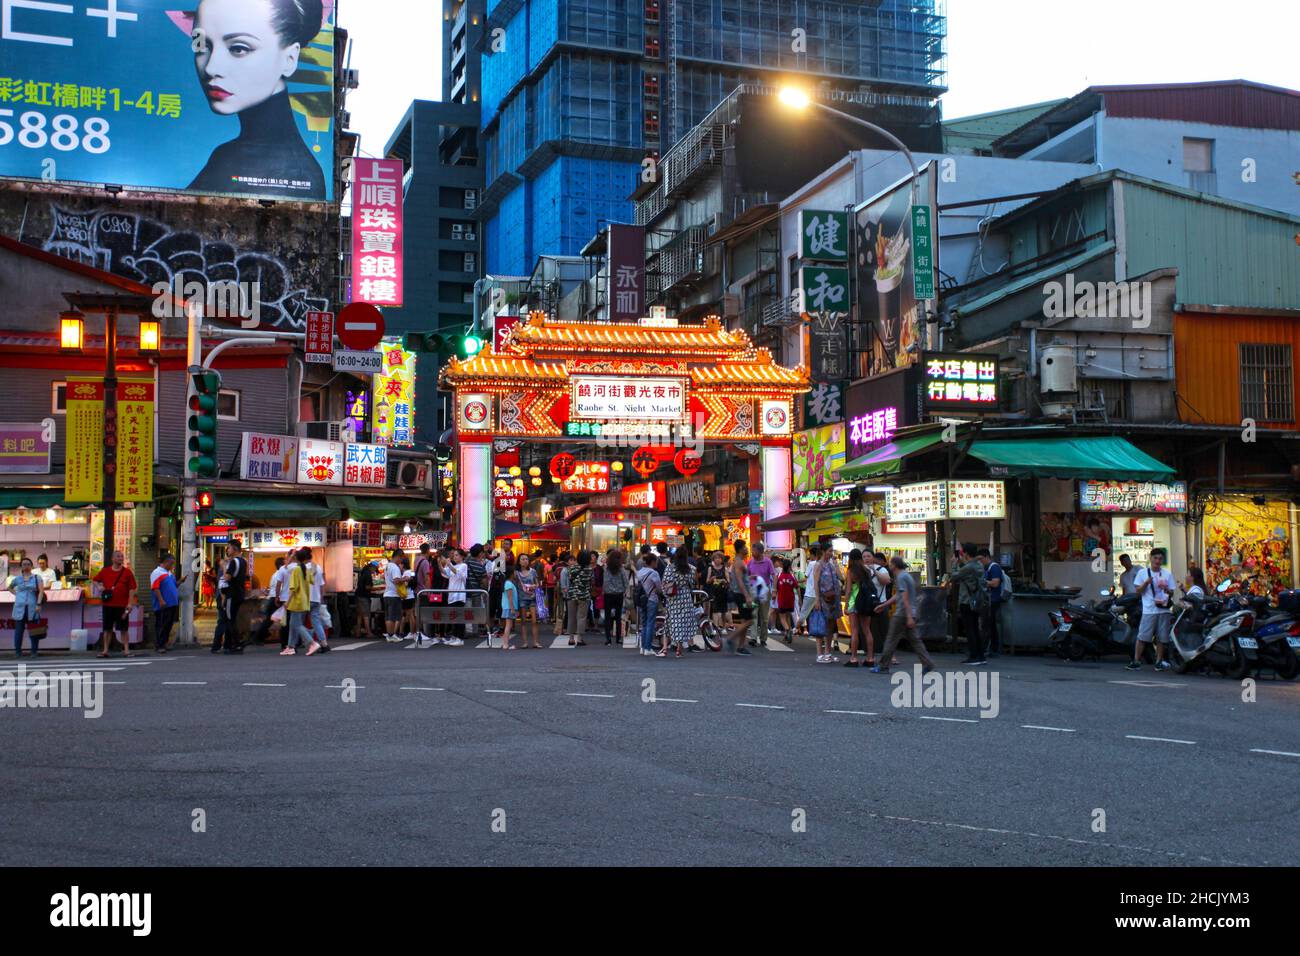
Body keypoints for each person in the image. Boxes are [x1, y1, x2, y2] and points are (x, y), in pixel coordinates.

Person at [188, 0, 328, 200]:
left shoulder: (295, 174)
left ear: (289, 59)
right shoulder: (229, 156)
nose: (211, 67)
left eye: (238, 48)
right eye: (201, 45)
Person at [871, 557, 935, 674]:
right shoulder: (906, 576)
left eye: (890, 563)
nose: (889, 565)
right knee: (915, 640)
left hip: (902, 613)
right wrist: (884, 605)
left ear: (894, 565)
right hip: (910, 612)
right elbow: (899, 595)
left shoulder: (901, 577)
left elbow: (904, 597)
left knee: (891, 640)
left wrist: (908, 616)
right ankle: (927, 663)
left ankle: (883, 666)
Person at [1128, 547, 1176, 671]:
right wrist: (1146, 583)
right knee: (1143, 636)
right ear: (1150, 558)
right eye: (1155, 558)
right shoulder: (1142, 573)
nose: (1158, 561)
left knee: (1162, 637)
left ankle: (1159, 661)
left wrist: (1167, 590)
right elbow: (1138, 591)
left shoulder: (1167, 573)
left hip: (1163, 609)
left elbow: (1172, 592)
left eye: (1160, 558)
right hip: (1149, 610)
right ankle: (1136, 661)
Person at [93, 550, 137, 658]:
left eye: (122, 556)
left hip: (122, 605)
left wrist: (130, 603)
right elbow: (95, 580)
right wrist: (99, 587)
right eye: (118, 556)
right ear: (112, 559)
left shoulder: (127, 572)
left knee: (124, 629)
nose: (121, 558)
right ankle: (105, 650)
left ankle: (126, 650)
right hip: (108, 605)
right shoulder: (105, 571)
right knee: (107, 628)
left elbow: (132, 589)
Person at [951, 543, 987, 665]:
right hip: (977, 600)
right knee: (976, 628)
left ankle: (973, 656)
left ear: (966, 553)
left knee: (970, 629)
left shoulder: (969, 567)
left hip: (967, 601)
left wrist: (954, 564)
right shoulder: (978, 565)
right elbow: (967, 571)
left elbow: (954, 576)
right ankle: (981, 655)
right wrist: (961, 563)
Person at [280, 549, 318, 656]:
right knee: (293, 624)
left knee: (296, 625)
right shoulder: (306, 569)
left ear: (296, 558)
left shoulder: (296, 570)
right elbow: (312, 580)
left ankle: (312, 643)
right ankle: (290, 647)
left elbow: (293, 588)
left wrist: (287, 601)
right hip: (304, 600)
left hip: (296, 601)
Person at [212, 540, 248, 654]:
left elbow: (227, 578)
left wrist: (223, 567)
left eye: (228, 548)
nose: (227, 550)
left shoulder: (234, 562)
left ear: (234, 549)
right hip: (239, 594)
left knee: (230, 620)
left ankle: (236, 644)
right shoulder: (243, 561)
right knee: (231, 619)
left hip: (231, 594)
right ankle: (233, 644)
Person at [660, 550, 696, 659]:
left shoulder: (670, 567)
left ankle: (665, 648)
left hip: (673, 597)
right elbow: (692, 583)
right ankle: (679, 650)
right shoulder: (690, 568)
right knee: (682, 623)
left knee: (670, 621)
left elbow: (665, 582)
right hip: (685, 597)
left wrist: (665, 595)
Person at [843, 549, 877, 667]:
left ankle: (853, 658)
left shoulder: (851, 571)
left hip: (854, 602)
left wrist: (846, 605)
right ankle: (870, 658)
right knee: (867, 630)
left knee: (855, 631)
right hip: (866, 602)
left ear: (851, 559)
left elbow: (848, 590)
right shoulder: (867, 570)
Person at [7, 557, 44, 657]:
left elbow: (41, 591)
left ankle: (34, 651)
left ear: (31, 566)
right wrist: (17, 594)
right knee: (19, 631)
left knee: (34, 631)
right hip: (19, 607)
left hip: (32, 607)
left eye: (28, 564)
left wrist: (39, 604)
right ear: (21, 567)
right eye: (24, 564)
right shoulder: (17, 579)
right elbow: (9, 587)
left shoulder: (37, 578)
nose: (26, 566)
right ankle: (18, 651)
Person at [725, 540, 755, 656]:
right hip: (741, 595)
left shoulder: (740, 561)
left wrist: (751, 577)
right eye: (745, 547)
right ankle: (731, 638)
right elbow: (739, 580)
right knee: (749, 620)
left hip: (742, 593)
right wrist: (747, 596)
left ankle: (741, 647)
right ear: (741, 549)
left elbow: (742, 578)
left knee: (744, 620)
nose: (747, 549)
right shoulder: (738, 562)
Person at [814, 547, 843, 663]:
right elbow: (815, 583)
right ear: (823, 551)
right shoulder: (818, 565)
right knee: (821, 624)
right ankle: (820, 654)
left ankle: (828, 652)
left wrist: (836, 566)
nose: (831, 553)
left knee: (831, 625)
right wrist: (817, 600)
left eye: (832, 551)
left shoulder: (831, 565)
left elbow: (841, 578)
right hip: (823, 598)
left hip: (833, 599)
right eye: (829, 551)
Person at [976, 548, 1006, 657]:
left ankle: (992, 648)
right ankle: (991, 648)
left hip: (993, 600)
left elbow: (995, 583)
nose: (980, 561)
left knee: (989, 625)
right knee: (989, 624)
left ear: (987, 557)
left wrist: (982, 582)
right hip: (988, 599)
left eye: (981, 559)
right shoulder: (986, 568)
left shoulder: (994, 567)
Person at [300, 547, 330, 653]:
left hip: (304, 599)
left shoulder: (301, 568)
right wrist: (321, 597)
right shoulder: (317, 567)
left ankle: (309, 643)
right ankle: (324, 643)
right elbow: (322, 584)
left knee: (298, 623)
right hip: (316, 599)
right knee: (316, 622)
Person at [747, 541, 776, 648]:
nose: (752, 553)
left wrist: (774, 590)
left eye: (753, 551)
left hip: (765, 590)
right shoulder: (750, 562)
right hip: (753, 589)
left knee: (764, 616)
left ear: (760, 552)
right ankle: (753, 638)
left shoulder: (768, 562)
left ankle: (763, 638)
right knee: (753, 614)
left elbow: (774, 575)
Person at [150, 553, 180, 654]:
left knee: (168, 625)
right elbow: (155, 588)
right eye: (171, 563)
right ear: (166, 562)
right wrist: (161, 600)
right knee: (161, 625)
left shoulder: (169, 573)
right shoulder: (157, 572)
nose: (172, 566)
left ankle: (164, 643)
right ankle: (159, 645)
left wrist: (180, 582)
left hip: (172, 603)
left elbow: (174, 585)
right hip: (163, 604)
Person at [381, 551, 414, 644]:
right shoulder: (395, 567)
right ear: (398, 557)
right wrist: (406, 579)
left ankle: (390, 635)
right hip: (393, 595)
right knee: (393, 616)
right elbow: (396, 581)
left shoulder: (388, 566)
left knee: (388, 617)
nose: (401, 560)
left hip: (387, 594)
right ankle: (391, 635)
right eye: (401, 558)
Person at [634, 554, 663, 657]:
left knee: (644, 623)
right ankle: (648, 648)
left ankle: (643, 647)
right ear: (653, 562)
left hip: (642, 600)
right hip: (652, 599)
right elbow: (659, 588)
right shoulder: (654, 573)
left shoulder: (640, 572)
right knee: (651, 623)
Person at [603, 549, 631, 647]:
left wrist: (606, 590)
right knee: (618, 617)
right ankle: (618, 638)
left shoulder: (606, 568)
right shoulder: (621, 569)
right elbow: (626, 582)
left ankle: (608, 639)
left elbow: (605, 582)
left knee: (607, 617)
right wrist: (624, 591)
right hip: (619, 595)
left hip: (608, 595)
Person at [440, 549, 468, 647]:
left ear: (462, 556)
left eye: (456, 555)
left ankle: (460, 638)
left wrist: (448, 563)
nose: (454, 557)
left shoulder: (464, 565)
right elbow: (444, 573)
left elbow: (457, 573)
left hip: (459, 595)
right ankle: (455, 637)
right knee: (453, 617)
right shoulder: (453, 565)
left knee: (459, 617)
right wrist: (440, 563)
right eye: (454, 555)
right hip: (451, 595)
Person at [566, 551, 593, 646]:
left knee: (571, 616)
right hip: (584, 595)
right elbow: (590, 582)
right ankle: (580, 639)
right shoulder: (589, 569)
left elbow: (570, 579)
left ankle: (571, 638)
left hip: (572, 594)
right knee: (581, 617)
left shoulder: (572, 568)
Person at [516, 553, 542, 649]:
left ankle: (535, 642)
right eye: (522, 559)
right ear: (519, 561)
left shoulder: (533, 571)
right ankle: (525, 642)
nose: (525, 561)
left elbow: (537, 583)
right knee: (523, 621)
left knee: (534, 621)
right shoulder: (516, 573)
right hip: (522, 598)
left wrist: (534, 586)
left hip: (532, 597)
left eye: (526, 559)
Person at [797, 543, 823, 633]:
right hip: (818, 594)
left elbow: (805, 577)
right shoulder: (821, 563)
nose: (809, 556)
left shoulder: (811, 564)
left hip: (809, 593)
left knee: (803, 614)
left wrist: (796, 581)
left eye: (810, 555)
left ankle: (793, 630)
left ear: (813, 555)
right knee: (818, 614)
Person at [774, 558, 798, 644]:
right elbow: (797, 587)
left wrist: (774, 594)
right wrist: (800, 600)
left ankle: (788, 630)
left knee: (782, 618)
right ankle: (786, 635)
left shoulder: (779, 575)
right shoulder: (792, 576)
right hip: (791, 599)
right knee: (787, 616)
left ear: (782, 565)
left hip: (782, 599)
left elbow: (775, 587)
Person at [705, 551, 730, 629]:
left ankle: (723, 627)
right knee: (715, 610)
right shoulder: (710, 568)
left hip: (723, 592)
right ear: (713, 559)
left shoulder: (724, 568)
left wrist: (724, 581)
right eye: (715, 558)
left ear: (722, 559)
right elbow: (707, 581)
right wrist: (711, 579)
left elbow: (728, 581)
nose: (717, 560)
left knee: (723, 611)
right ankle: (715, 627)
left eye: (719, 558)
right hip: (714, 592)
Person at [353, 560, 377, 639]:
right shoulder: (367, 574)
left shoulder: (364, 571)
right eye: (375, 569)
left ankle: (358, 632)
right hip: (363, 596)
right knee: (366, 615)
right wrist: (374, 588)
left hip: (358, 595)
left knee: (360, 615)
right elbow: (367, 586)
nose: (374, 571)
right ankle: (368, 632)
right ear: (372, 567)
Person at [500, 565, 520, 651]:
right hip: (509, 607)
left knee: (509, 625)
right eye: (514, 572)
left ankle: (506, 643)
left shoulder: (509, 583)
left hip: (509, 607)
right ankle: (505, 644)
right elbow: (510, 597)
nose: (516, 573)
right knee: (508, 625)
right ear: (511, 574)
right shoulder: (508, 583)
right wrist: (512, 609)